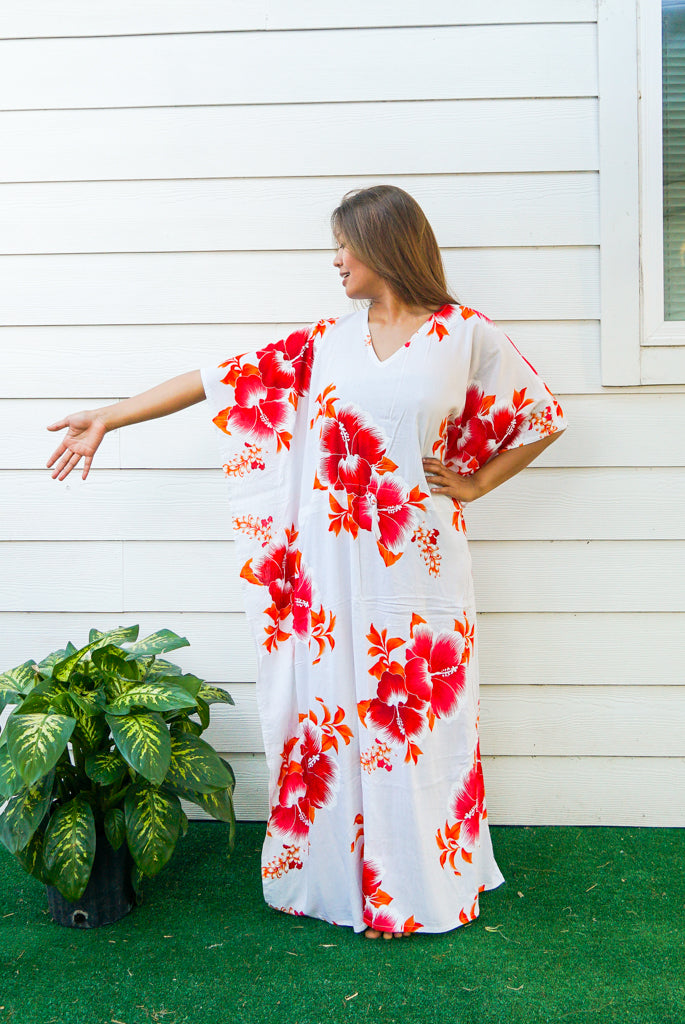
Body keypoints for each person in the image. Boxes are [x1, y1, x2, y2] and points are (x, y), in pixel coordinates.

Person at [47, 185, 566, 940]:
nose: (336, 260)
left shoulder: (465, 335)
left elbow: (539, 415)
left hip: (418, 569)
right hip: (327, 574)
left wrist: (480, 480)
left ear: (383, 246)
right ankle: (330, 879)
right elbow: (211, 380)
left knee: (417, 721)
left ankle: (420, 882)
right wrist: (110, 416)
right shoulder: (323, 342)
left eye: (344, 246)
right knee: (329, 717)